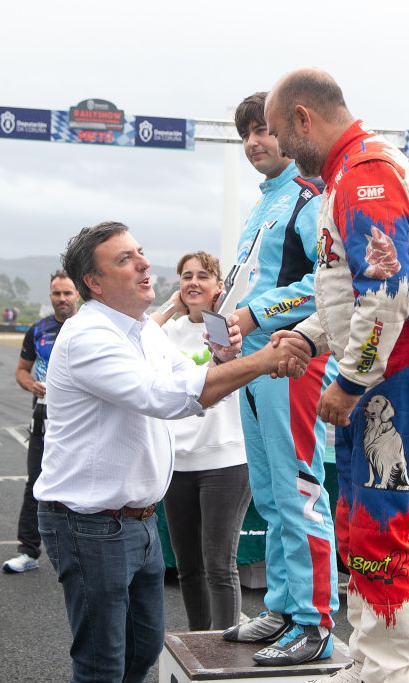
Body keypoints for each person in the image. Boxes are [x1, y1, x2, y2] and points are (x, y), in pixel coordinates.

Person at [33, 222, 312, 683]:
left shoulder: (144, 331)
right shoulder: (89, 336)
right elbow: (166, 396)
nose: (144, 263)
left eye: (139, 252)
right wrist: (261, 361)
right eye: (124, 259)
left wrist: (225, 360)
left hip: (138, 522)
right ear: (93, 283)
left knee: (142, 652)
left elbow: (193, 379)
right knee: (102, 663)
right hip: (91, 525)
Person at [265, 68, 409, 683]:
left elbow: (387, 292)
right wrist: (309, 333)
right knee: (358, 522)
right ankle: (367, 658)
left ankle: (384, 671)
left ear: (303, 118)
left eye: (278, 132)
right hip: (386, 369)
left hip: (396, 375)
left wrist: (348, 382)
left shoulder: (367, 174)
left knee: (378, 525)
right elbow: (350, 293)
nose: (278, 148)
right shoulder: (350, 174)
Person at [218, 91, 339, 667]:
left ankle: (315, 622)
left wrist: (256, 314)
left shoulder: (310, 195)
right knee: (268, 492)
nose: (253, 143)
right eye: (245, 134)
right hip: (255, 363)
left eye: (263, 131)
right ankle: (284, 607)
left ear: (290, 132)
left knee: (298, 489)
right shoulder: (264, 202)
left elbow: (330, 281)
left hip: (297, 359)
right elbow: (253, 281)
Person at [152, 251, 251, 631]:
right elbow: (137, 337)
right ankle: (199, 642)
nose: (193, 282)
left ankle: (226, 648)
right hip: (178, 463)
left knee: (218, 563)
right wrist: (170, 307)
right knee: (187, 566)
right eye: (185, 276)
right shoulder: (167, 333)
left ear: (218, 286)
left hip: (226, 462)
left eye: (202, 276)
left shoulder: (227, 327)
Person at [2, 270, 79, 574]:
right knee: (36, 482)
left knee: (80, 486)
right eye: (56, 293)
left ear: (78, 294)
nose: (61, 299)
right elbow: (22, 370)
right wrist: (30, 384)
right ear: (50, 296)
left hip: (79, 418)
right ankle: (28, 551)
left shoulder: (90, 327)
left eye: (67, 293)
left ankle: (79, 550)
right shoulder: (38, 330)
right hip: (43, 418)